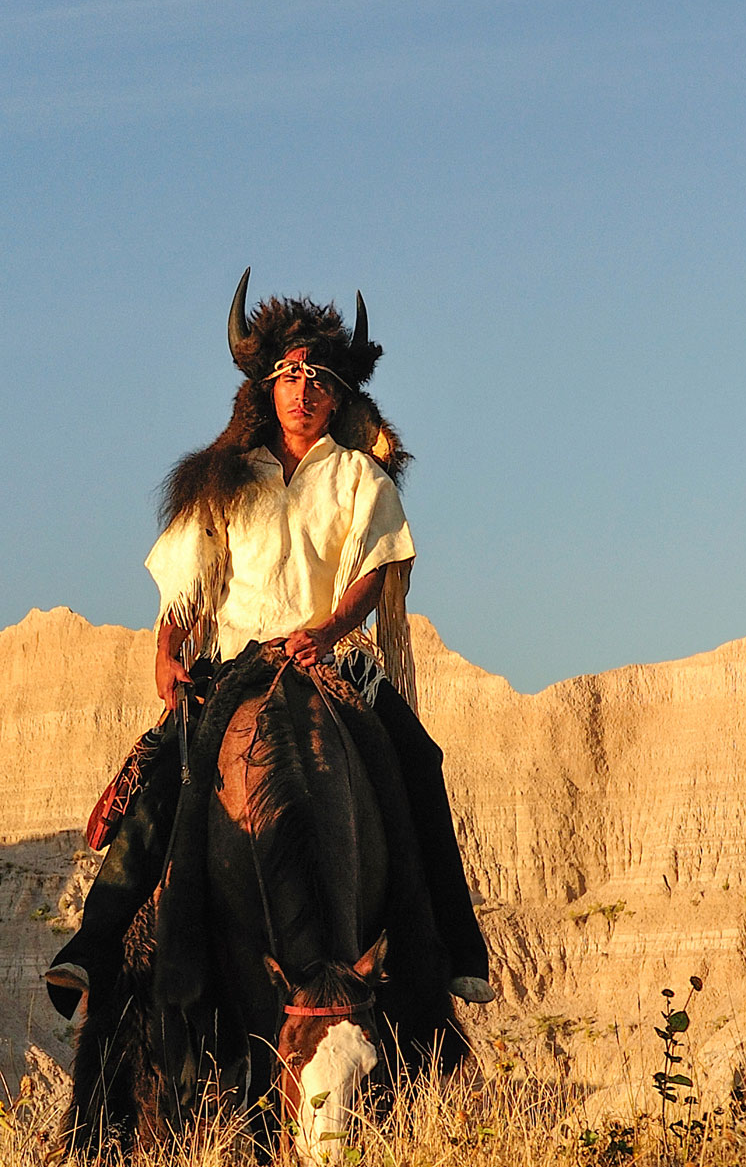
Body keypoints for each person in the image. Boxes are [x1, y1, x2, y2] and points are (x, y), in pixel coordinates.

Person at [43, 275, 494, 1018]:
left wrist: (331, 629)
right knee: (164, 767)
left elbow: (375, 570)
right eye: (288, 374)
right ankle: (91, 945)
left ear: (338, 393)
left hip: (332, 662)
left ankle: (455, 944)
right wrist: (166, 652)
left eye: (317, 377)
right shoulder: (225, 480)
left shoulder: (358, 476)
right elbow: (186, 582)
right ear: (264, 386)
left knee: (418, 759)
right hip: (236, 663)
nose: (302, 389)